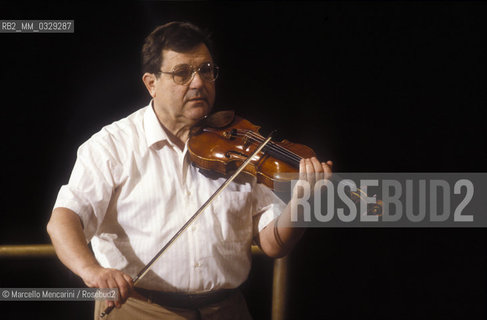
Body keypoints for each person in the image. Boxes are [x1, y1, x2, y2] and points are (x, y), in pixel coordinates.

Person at [47, 21, 332, 320]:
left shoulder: (242, 144)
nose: (198, 83)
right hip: (140, 310)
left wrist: (301, 204)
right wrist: (92, 271)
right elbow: (64, 219)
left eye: (206, 70)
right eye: (182, 73)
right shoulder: (111, 146)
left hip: (227, 310)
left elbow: (273, 244)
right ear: (151, 83)